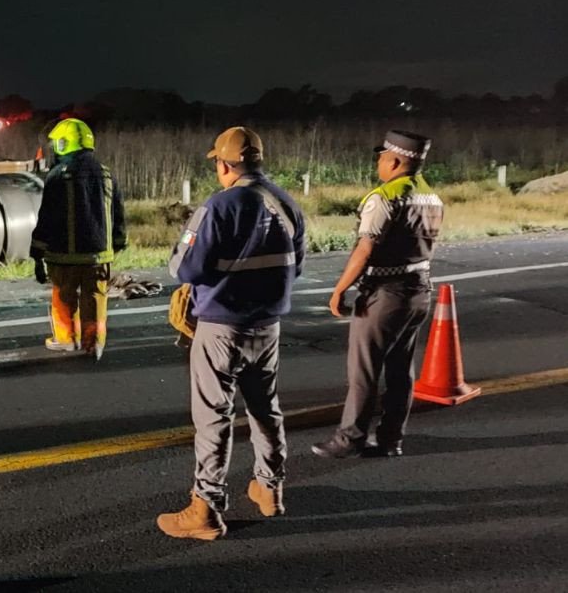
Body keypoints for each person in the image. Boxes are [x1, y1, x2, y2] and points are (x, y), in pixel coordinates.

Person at [157, 126, 306, 540]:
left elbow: (184, 268)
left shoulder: (219, 206)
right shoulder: (287, 204)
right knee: (265, 407)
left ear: (224, 165)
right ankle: (270, 488)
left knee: (213, 416)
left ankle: (204, 509)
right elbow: (297, 267)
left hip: (221, 327)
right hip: (268, 327)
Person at [312, 130, 443, 459]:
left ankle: (350, 438)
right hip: (419, 290)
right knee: (401, 369)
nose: (380, 163)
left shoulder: (385, 196)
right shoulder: (432, 197)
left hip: (385, 293)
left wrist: (340, 288)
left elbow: (365, 248)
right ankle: (390, 438)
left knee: (364, 370)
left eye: (383, 158)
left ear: (396, 160)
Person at [30, 118, 126, 360]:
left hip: (64, 256)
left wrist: (37, 253)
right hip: (98, 256)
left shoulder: (58, 176)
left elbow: (47, 217)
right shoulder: (106, 174)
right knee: (95, 300)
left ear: (64, 144)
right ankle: (93, 343)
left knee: (64, 299)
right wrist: (117, 243)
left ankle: (66, 340)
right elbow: (118, 213)